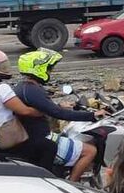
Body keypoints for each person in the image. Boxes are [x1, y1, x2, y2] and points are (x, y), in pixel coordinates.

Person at [14, 49, 106, 181]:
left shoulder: (23, 87)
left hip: (32, 135)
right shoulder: (32, 90)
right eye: (49, 68)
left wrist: (59, 106)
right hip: (40, 137)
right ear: (39, 68)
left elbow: (47, 108)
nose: (50, 71)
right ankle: (71, 185)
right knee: (90, 151)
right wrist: (92, 115)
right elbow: (59, 114)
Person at [0, 50, 47, 168]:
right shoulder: (1, 88)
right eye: (2, 66)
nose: (6, 69)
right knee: (49, 147)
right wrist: (44, 111)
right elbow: (24, 111)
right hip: (0, 139)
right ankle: (48, 180)